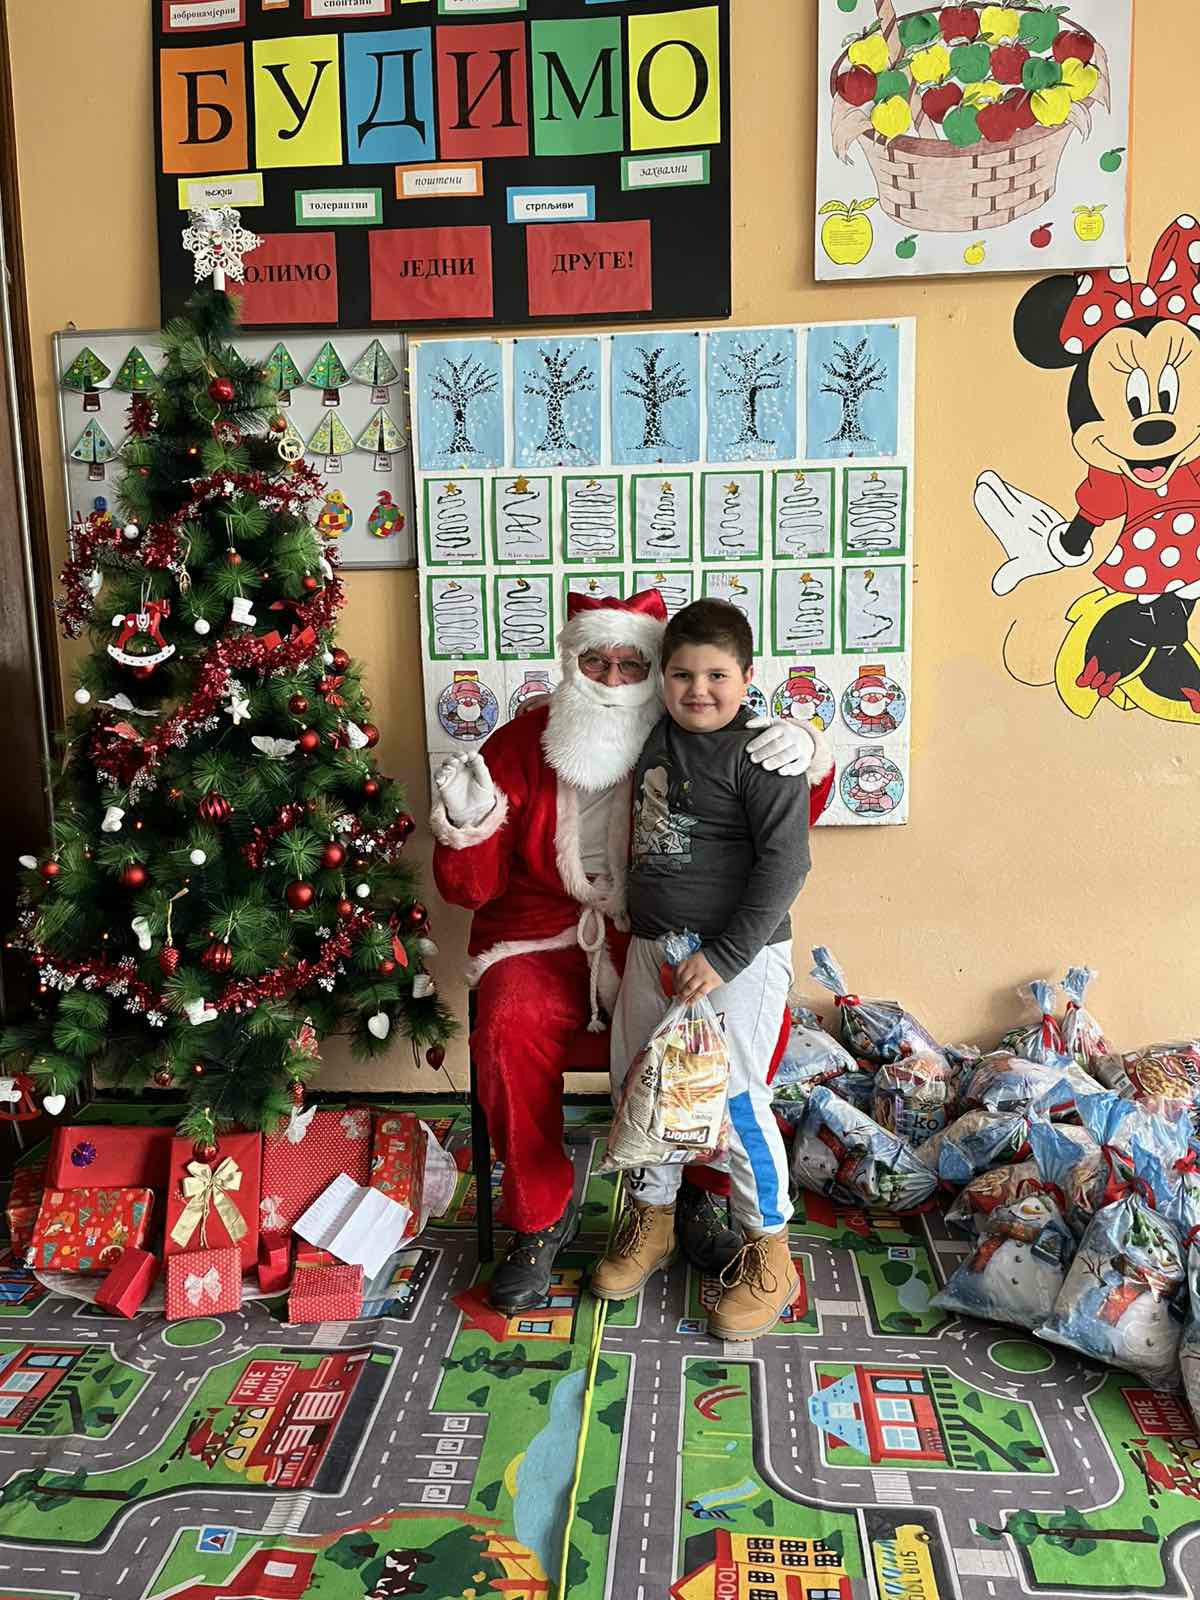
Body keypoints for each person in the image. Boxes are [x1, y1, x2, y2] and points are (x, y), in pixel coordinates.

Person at [431, 590, 833, 1313]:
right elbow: (471, 887)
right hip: (559, 936)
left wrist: (811, 743)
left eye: (631, 664)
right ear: (570, 665)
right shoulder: (526, 740)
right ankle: (553, 1217)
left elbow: (784, 834)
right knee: (588, 1063)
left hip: (691, 942)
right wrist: (470, 819)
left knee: (731, 1082)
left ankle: (727, 1215)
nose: (614, 679)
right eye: (596, 662)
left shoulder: (691, 725)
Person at [591, 599, 817, 1340]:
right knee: (643, 1086)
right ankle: (651, 1221)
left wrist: (722, 957)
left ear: (748, 677)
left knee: (737, 1100)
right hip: (653, 947)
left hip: (737, 957)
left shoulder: (764, 753)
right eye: (682, 674)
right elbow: (583, 711)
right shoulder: (650, 733)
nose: (699, 690)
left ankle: (769, 1253)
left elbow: (786, 866)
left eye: (717, 675)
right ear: (661, 678)